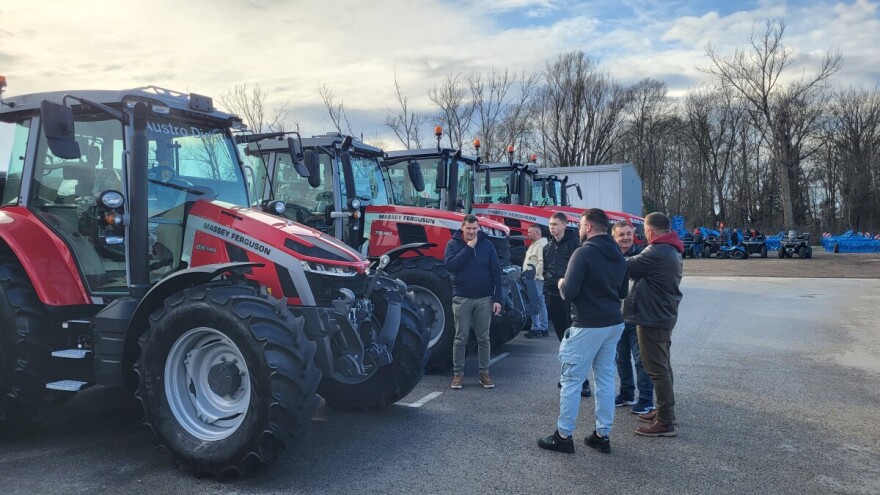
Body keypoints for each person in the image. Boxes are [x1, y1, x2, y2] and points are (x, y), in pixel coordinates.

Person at [538, 209, 629, 454]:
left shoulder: (583, 253)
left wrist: (559, 282)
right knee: (605, 379)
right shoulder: (618, 255)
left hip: (587, 324)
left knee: (571, 381)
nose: (577, 229)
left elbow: (569, 291)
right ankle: (602, 434)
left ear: (588, 227)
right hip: (613, 323)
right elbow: (623, 293)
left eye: (580, 225)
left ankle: (564, 435)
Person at [623, 212, 684, 437]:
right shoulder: (671, 248)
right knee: (663, 366)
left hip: (652, 317)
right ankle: (664, 412)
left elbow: (627, 266)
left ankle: (665, 421)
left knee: (656, 369)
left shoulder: (657, 251)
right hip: (661, 315)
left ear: (649, 231)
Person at [444, 214, 502, 389]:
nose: (471, 231)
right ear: (462, 228)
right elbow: (451, 265)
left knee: (483, 338)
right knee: (460, 338)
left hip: (484, 298)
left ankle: (484, 374)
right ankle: (458, 375)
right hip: (462, 298)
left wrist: (497, 298)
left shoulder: (488, 245)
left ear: (479, 228)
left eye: (474, 228)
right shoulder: (452, 244)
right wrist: (469, 248)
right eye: (468, 228)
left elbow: (496, 273)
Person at [543, 212, 591, 397]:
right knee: (563, 340)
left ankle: (583, 382)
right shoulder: (547, 248)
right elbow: (547, 269)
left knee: (575, 341)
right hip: (553, 297)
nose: (552, 227)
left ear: (564, 225)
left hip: (570, 298)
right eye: (550, 224)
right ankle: (567, 376)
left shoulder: (575, 245)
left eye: (555, 224)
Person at [611, 222, 655, 415]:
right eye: (621, 235)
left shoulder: (643, 256)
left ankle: (646, 399)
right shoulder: (610, 257)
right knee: (621, 359)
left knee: (641, 360)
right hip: (616, 317)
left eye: (628, 234)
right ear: (614, 237)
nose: (625, 238)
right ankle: (627, 394)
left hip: (637, 316)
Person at [523, 224, 549, 339]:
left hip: (535, 279)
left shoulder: (540, 245)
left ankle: (536, 328)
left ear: (537, 233)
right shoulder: (536, 244)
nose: (528, 234)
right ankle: (544, 327)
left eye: (530, 232)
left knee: (534, 302)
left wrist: (536, 275)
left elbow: (541, 262)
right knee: (541, 302)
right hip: (536, 278)